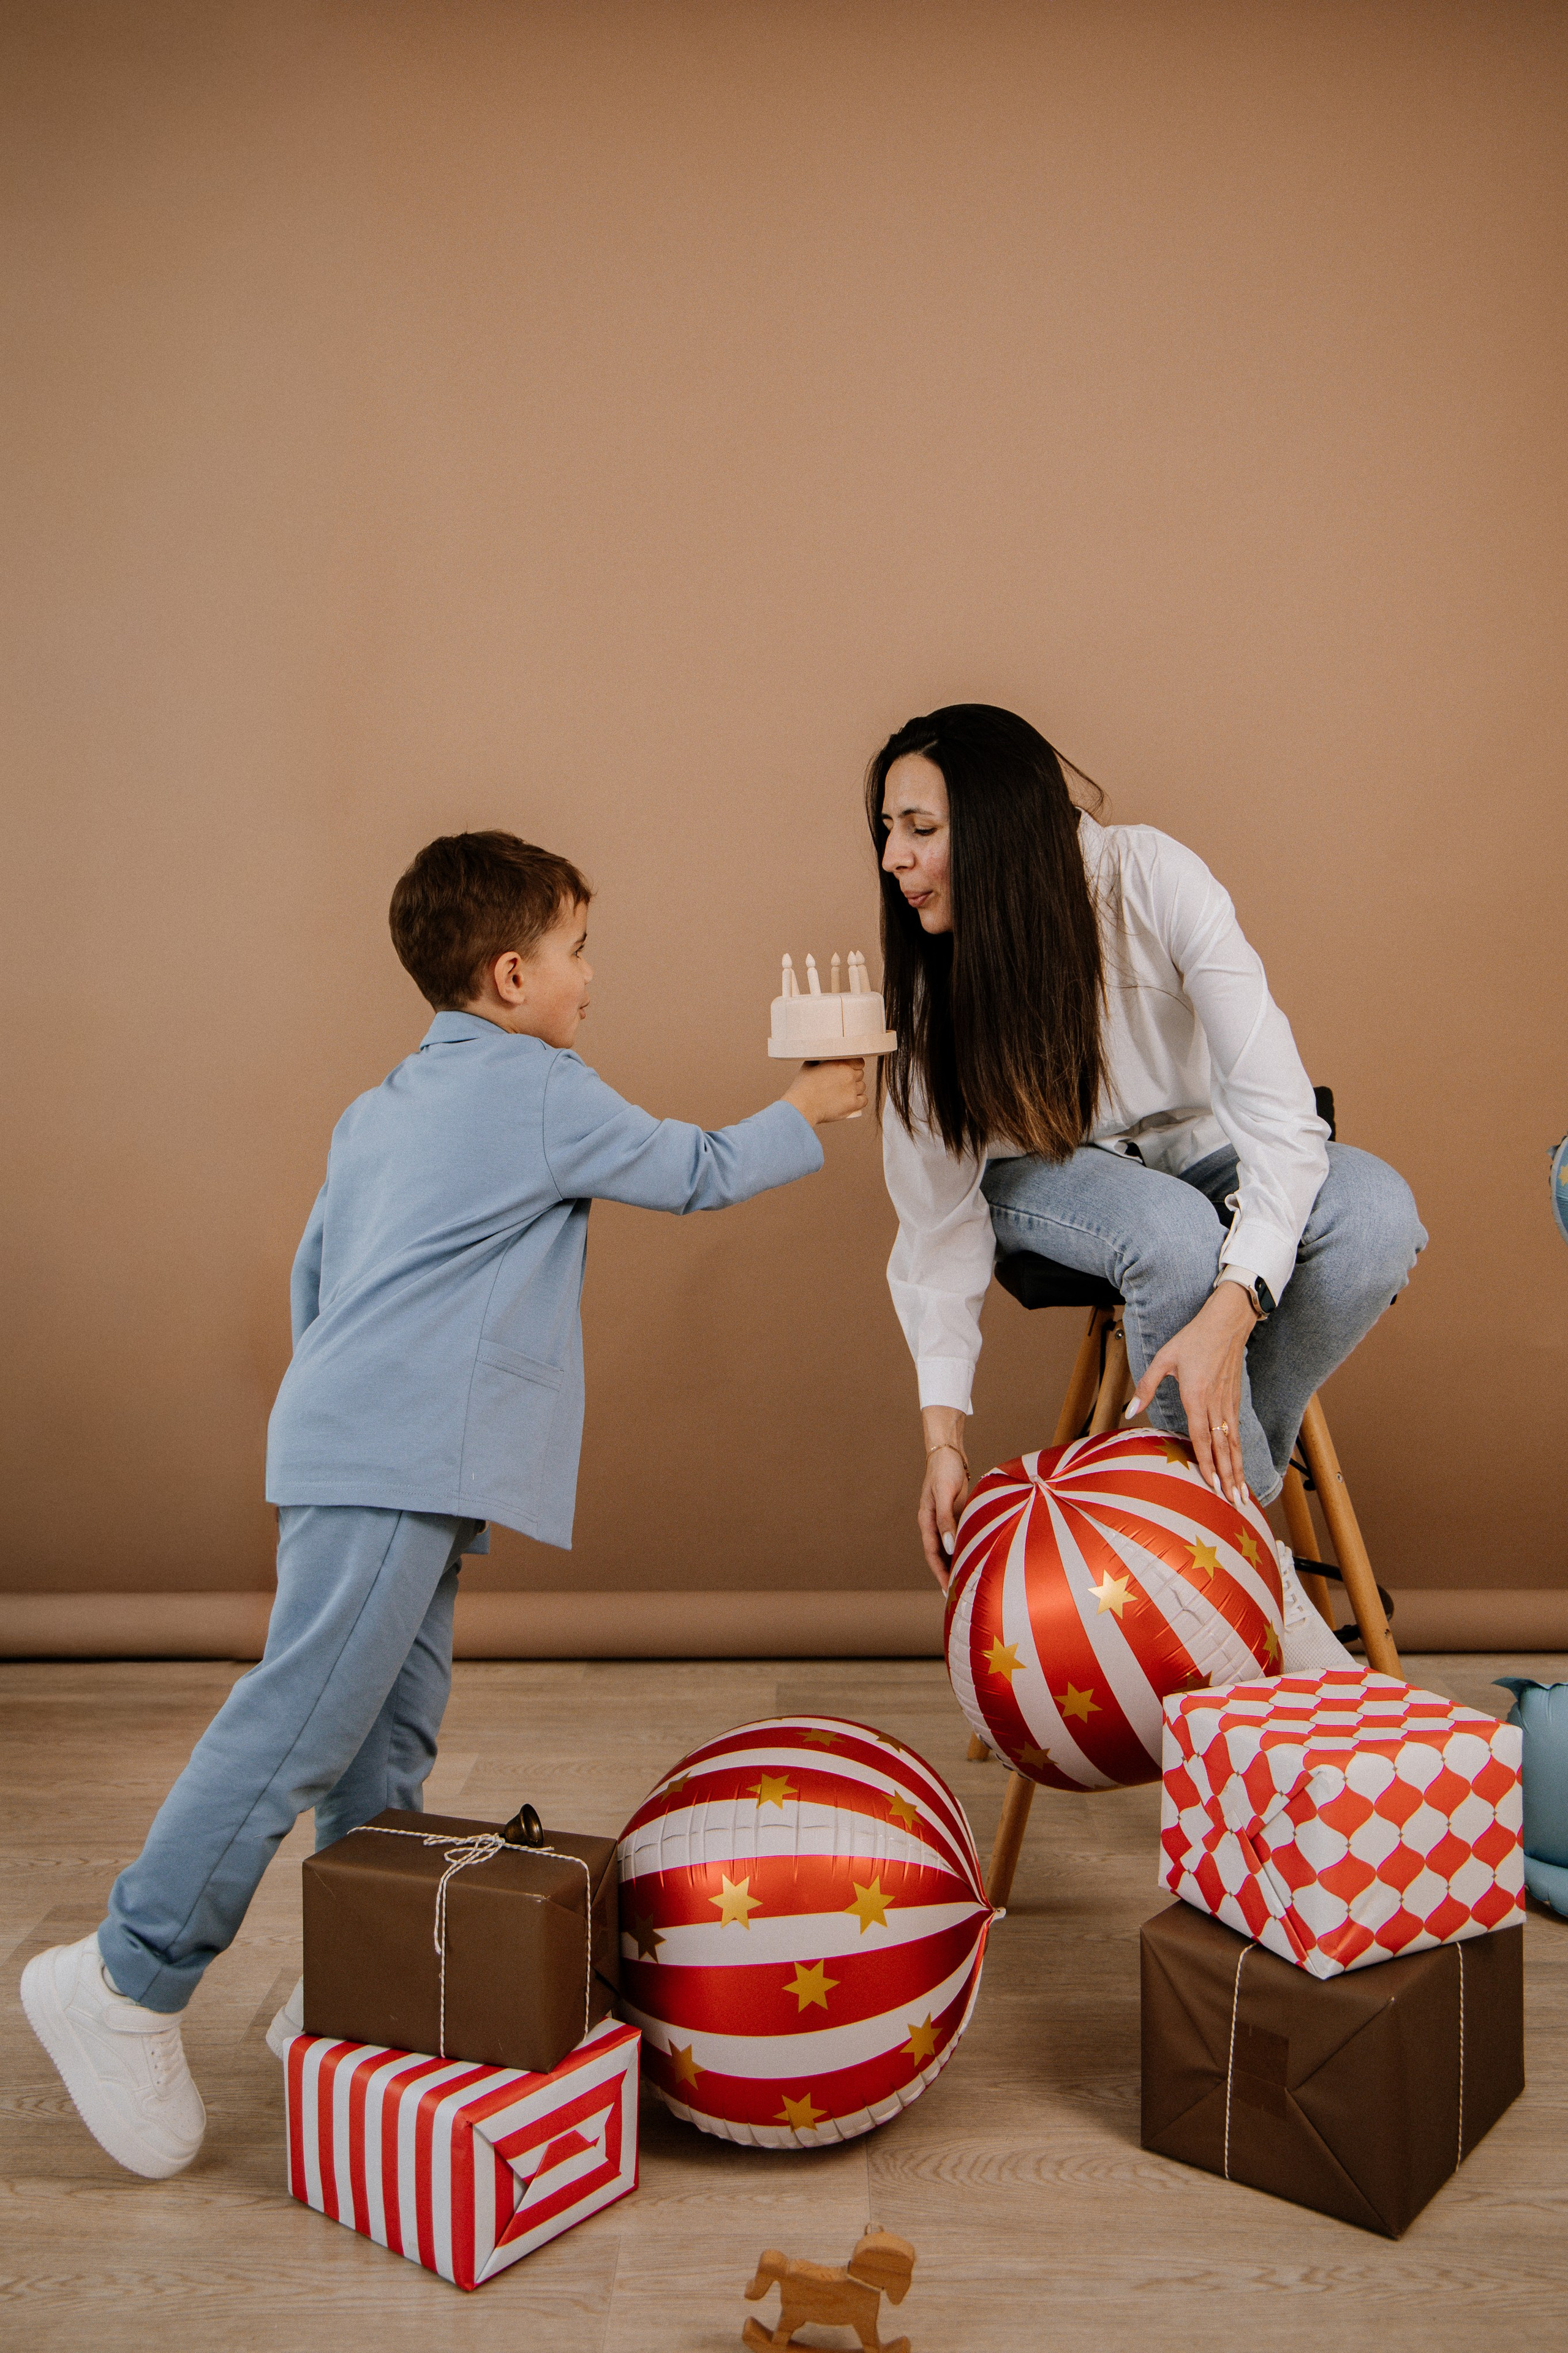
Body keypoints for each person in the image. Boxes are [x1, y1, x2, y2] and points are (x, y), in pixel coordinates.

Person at [21, 829, 864, 2180]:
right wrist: (814, 1102)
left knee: (384, 1745)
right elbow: (694, 1168)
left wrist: (348, 1425)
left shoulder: (383, 1103)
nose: (594, 977)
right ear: (514, 971)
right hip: (393, 1457)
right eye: (582, 951)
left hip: (356, 1447)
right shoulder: (541, 1086)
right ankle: (128, 1974)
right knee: (298, 1726)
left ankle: (358, 1985)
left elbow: (318, 1277)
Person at [870, 704, 1425, 1603]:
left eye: (921, 830)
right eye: (888, 830)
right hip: (1041, 1179)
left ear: (1002, 830)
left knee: (1375, 1214)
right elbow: (936, 1230)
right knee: (1169, 1230)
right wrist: (944, 1440)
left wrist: (1232, 1310)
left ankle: (1200, 1524)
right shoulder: (933, 996)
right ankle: (1249, 1578)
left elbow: (1282, 1115)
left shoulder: (1152, 877)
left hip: (1199, 1153)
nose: (894, 857)